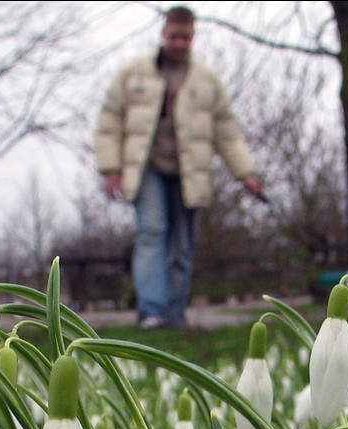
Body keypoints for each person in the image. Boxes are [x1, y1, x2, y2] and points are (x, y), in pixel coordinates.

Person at [95, 5, 263, 329]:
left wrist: (247, 174)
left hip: (189, 174)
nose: (179, 42)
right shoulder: (133, 75)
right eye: (174, 35)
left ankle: (174, 312)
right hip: (146, 169)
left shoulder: (207, 81)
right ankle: (151, 311)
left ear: (193, 37)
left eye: (185, 37)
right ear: (164, 33)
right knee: (152, 232)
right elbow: (109, 122)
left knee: (182, 245)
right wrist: (111, 168)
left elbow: (227, 132)